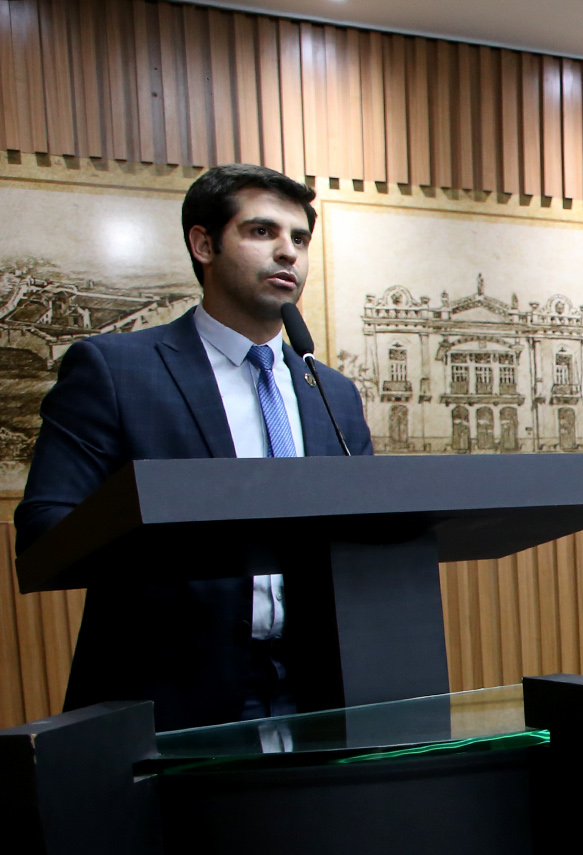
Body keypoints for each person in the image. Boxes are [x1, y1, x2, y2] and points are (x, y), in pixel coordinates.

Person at [15, 163, 373, 729]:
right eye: (262, 232)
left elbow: (367, 531)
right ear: (203, 245)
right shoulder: (114, 370)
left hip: (323, 689)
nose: (288, 252)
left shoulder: (334, 393)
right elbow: (45, 527)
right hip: (172, 695)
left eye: (300, 239)